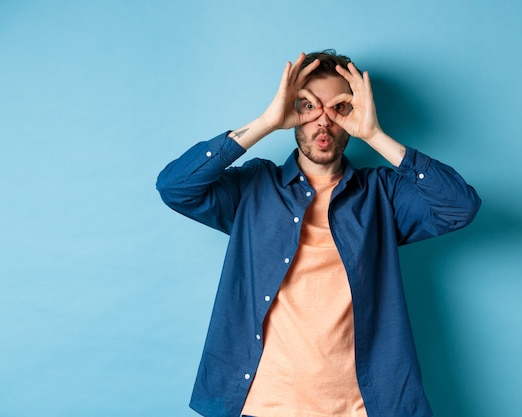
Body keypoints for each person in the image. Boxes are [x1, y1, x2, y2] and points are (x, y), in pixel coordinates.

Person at [156, 50, 481, 417]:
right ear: (292, 111)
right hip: (264, 404)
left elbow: (460, 206)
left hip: (360, 407)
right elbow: (175, 187)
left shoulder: (382, 194)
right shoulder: (253, 187)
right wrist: (265, 122)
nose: (322, 121)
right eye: (308, 106)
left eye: (338, 108)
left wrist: (374, 135)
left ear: (354, 115)